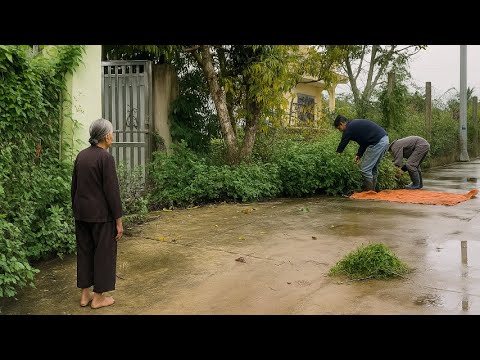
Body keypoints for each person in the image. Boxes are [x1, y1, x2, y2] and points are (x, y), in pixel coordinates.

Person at [71, 118, 123, 309]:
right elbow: (112, 192)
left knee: (85, 252)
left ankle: (85, 295)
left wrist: (76, 210)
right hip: (101, 216)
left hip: (82, 213)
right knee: (103, 253)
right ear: (107, 136)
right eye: (112, 132)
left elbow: (74, 187)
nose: (113, 136)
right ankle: (99, 297)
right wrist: (118, 220)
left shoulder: (81, 156)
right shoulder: (105, 158)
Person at [334, 114, 390, 192]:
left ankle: (369, 193)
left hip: (377, 142)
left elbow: (343, 143)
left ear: (341, 123)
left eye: (338, 128)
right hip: (384, 139)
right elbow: (364, 142)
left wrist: (337, 155)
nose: (339, 130)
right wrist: (359, 155)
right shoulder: (354, 125)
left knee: (365, 169)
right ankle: (373, 192)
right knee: (373, 168)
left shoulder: (349, 128)